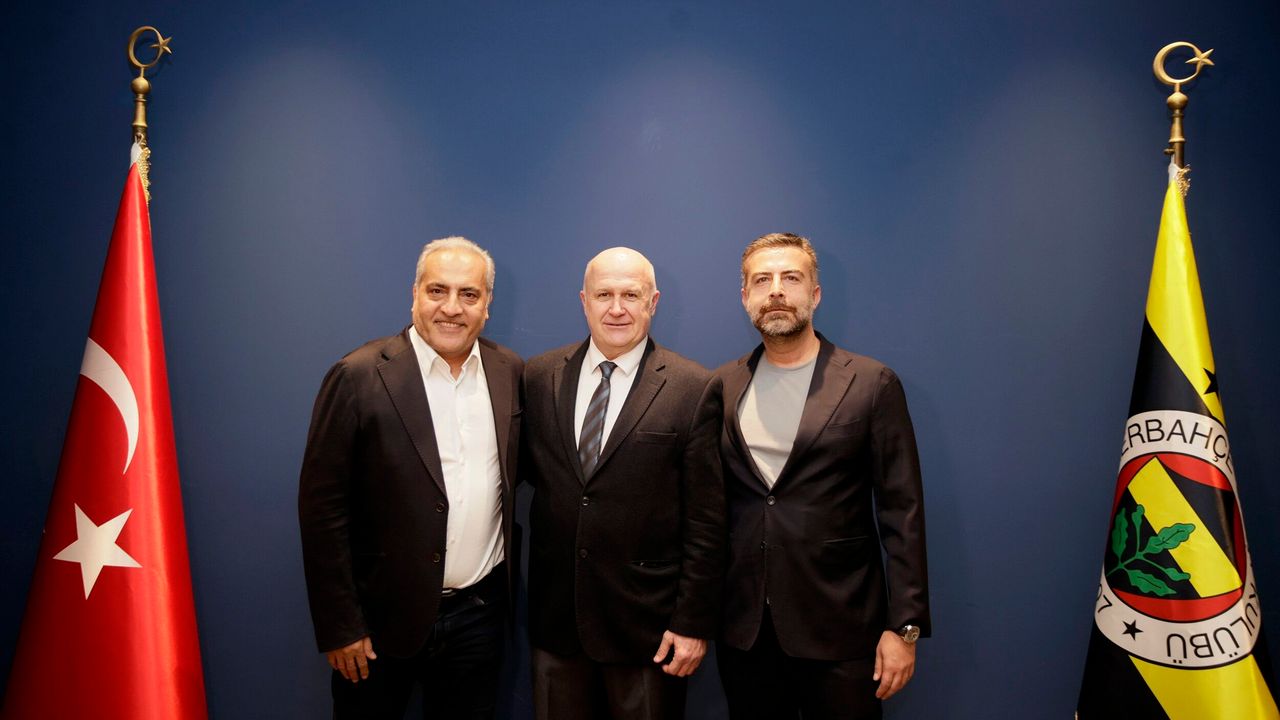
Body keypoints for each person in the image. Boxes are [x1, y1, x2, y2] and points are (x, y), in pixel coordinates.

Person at [298, 236, 522, 719]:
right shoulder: (358, 375)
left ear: (487, 305)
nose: (452, 308)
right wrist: (341, 626)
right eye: (438, 290)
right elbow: (322, 511)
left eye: (469, 294)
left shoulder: (509, 371)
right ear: (414, 294)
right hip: (377, 623)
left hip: (479, 619)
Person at [714, 233, 930, 720]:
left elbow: (903, 511)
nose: (776, 290)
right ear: (745, 297)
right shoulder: (722, 385)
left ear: (814, 295)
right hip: (746, 631)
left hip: (843, 628)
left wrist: (905, 627)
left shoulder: (871, 383)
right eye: (761, 280)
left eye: (790, 278)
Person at [521, 247, 725, 720]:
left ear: (653, 302)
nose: (617, 308)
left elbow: (707, 521)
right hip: (557, 625)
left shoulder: (693, 387)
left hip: (649, 630)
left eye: (630, 295)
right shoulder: (538, 376)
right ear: (584, 301)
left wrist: (692, 622)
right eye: (604, 295)